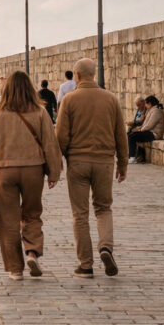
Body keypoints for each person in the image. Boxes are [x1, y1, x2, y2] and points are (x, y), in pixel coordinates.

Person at [0, 70, 63, 281]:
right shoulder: (40, 112)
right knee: (32, 214)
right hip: (34, 169)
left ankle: (16, 269)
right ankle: (32, 252)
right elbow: (50, 144)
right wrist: (54, 172)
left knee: (8, 220)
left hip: (5, 171)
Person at [55, 58, 128, 278]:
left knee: (80, 214)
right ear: (94, 74)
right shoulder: (111, 99)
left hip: (77, 162)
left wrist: (58, 161)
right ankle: (105, 246)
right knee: (103, 208)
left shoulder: (69, 100)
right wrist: (122, 163)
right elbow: (120, 135)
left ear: (76, 75)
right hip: (105, 162)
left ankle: (85, 265)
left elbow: (61, 136)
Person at [128, 96, 164, 164]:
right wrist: (139, 129)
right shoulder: (152, 110)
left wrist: (140, 130)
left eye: (146, 104)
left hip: (155, 134)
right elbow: (145, 124)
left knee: (133, 136)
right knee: (131, 135)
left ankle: (132, 157)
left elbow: (149, 125)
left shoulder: (156, 111)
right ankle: (132, 156)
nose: (145, 106)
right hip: (150, 132)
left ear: (149, 104)